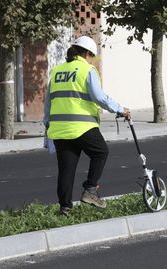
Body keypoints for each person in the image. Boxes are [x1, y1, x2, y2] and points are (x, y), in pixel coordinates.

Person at [43, 35, 131, 215]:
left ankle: (65, 208)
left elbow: (48, 102)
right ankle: (90, 189)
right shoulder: (86, 70)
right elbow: (99, 97)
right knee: (101, 152)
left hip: (59, 129)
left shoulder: (56, 71)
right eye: (92, 56)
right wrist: (119, 109)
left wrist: (47, 125)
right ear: (87, 54)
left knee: (66, 170)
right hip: (82, 125)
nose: (93, 60)